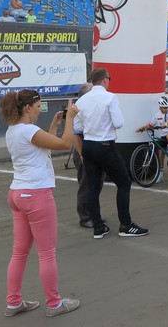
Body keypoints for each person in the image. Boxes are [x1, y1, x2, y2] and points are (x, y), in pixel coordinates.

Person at [1, 89, 80, 317]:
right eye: (38, 107)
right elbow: (65, 143)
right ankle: (54, 304)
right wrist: (71, 118)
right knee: (46, 253)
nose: (39, 111)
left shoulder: (13, 130)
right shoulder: (29, 131)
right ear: (28, 108)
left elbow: (45, 145)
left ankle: (14, 302)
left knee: (19, 253)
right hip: (36, 195)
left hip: (18, 193)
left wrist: (55, 124)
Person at [74, 68, 148, 239]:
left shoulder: (82, 100)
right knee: (124, 183)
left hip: (88, 145)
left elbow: (77, 126)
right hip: (105, 144)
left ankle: (98, 226)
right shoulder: (110, 97)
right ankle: (126, 224)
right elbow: (118, 122)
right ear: (105, 80)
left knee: (92, 186)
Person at [137, 96, 168, 184]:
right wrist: (142, 128)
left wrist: (165, 126)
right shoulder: (157, 115)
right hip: (163, 136)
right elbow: (150, 125)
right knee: (160, 154)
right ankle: (160, 175)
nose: (166, 109)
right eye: (164, 108)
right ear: (160, 107)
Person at [69, 84, 96, 228]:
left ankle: (93, 214)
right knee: (85, 184)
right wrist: (81, 154)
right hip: (83, 150)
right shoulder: (78, 110)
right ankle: (85, 217)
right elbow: (75, 135)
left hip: (92, 149)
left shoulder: (89, 108)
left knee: (95, 184)